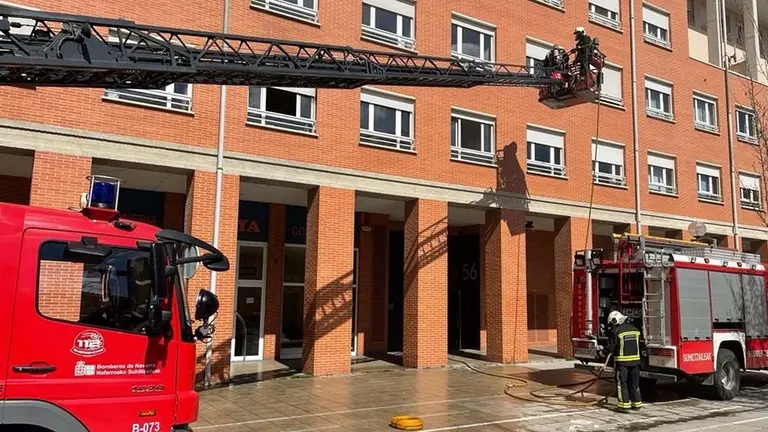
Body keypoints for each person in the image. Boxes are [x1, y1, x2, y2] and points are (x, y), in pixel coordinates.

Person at [603, 310, 643, 413]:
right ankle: (636, 404)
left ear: (614, 321)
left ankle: (624, 406)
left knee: (622, 383)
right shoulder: (635, 330)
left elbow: (610, 347)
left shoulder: (616, 332)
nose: (611, 326)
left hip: (622, 364)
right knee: (634, 383)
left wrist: (600, 354)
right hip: (635, 363)